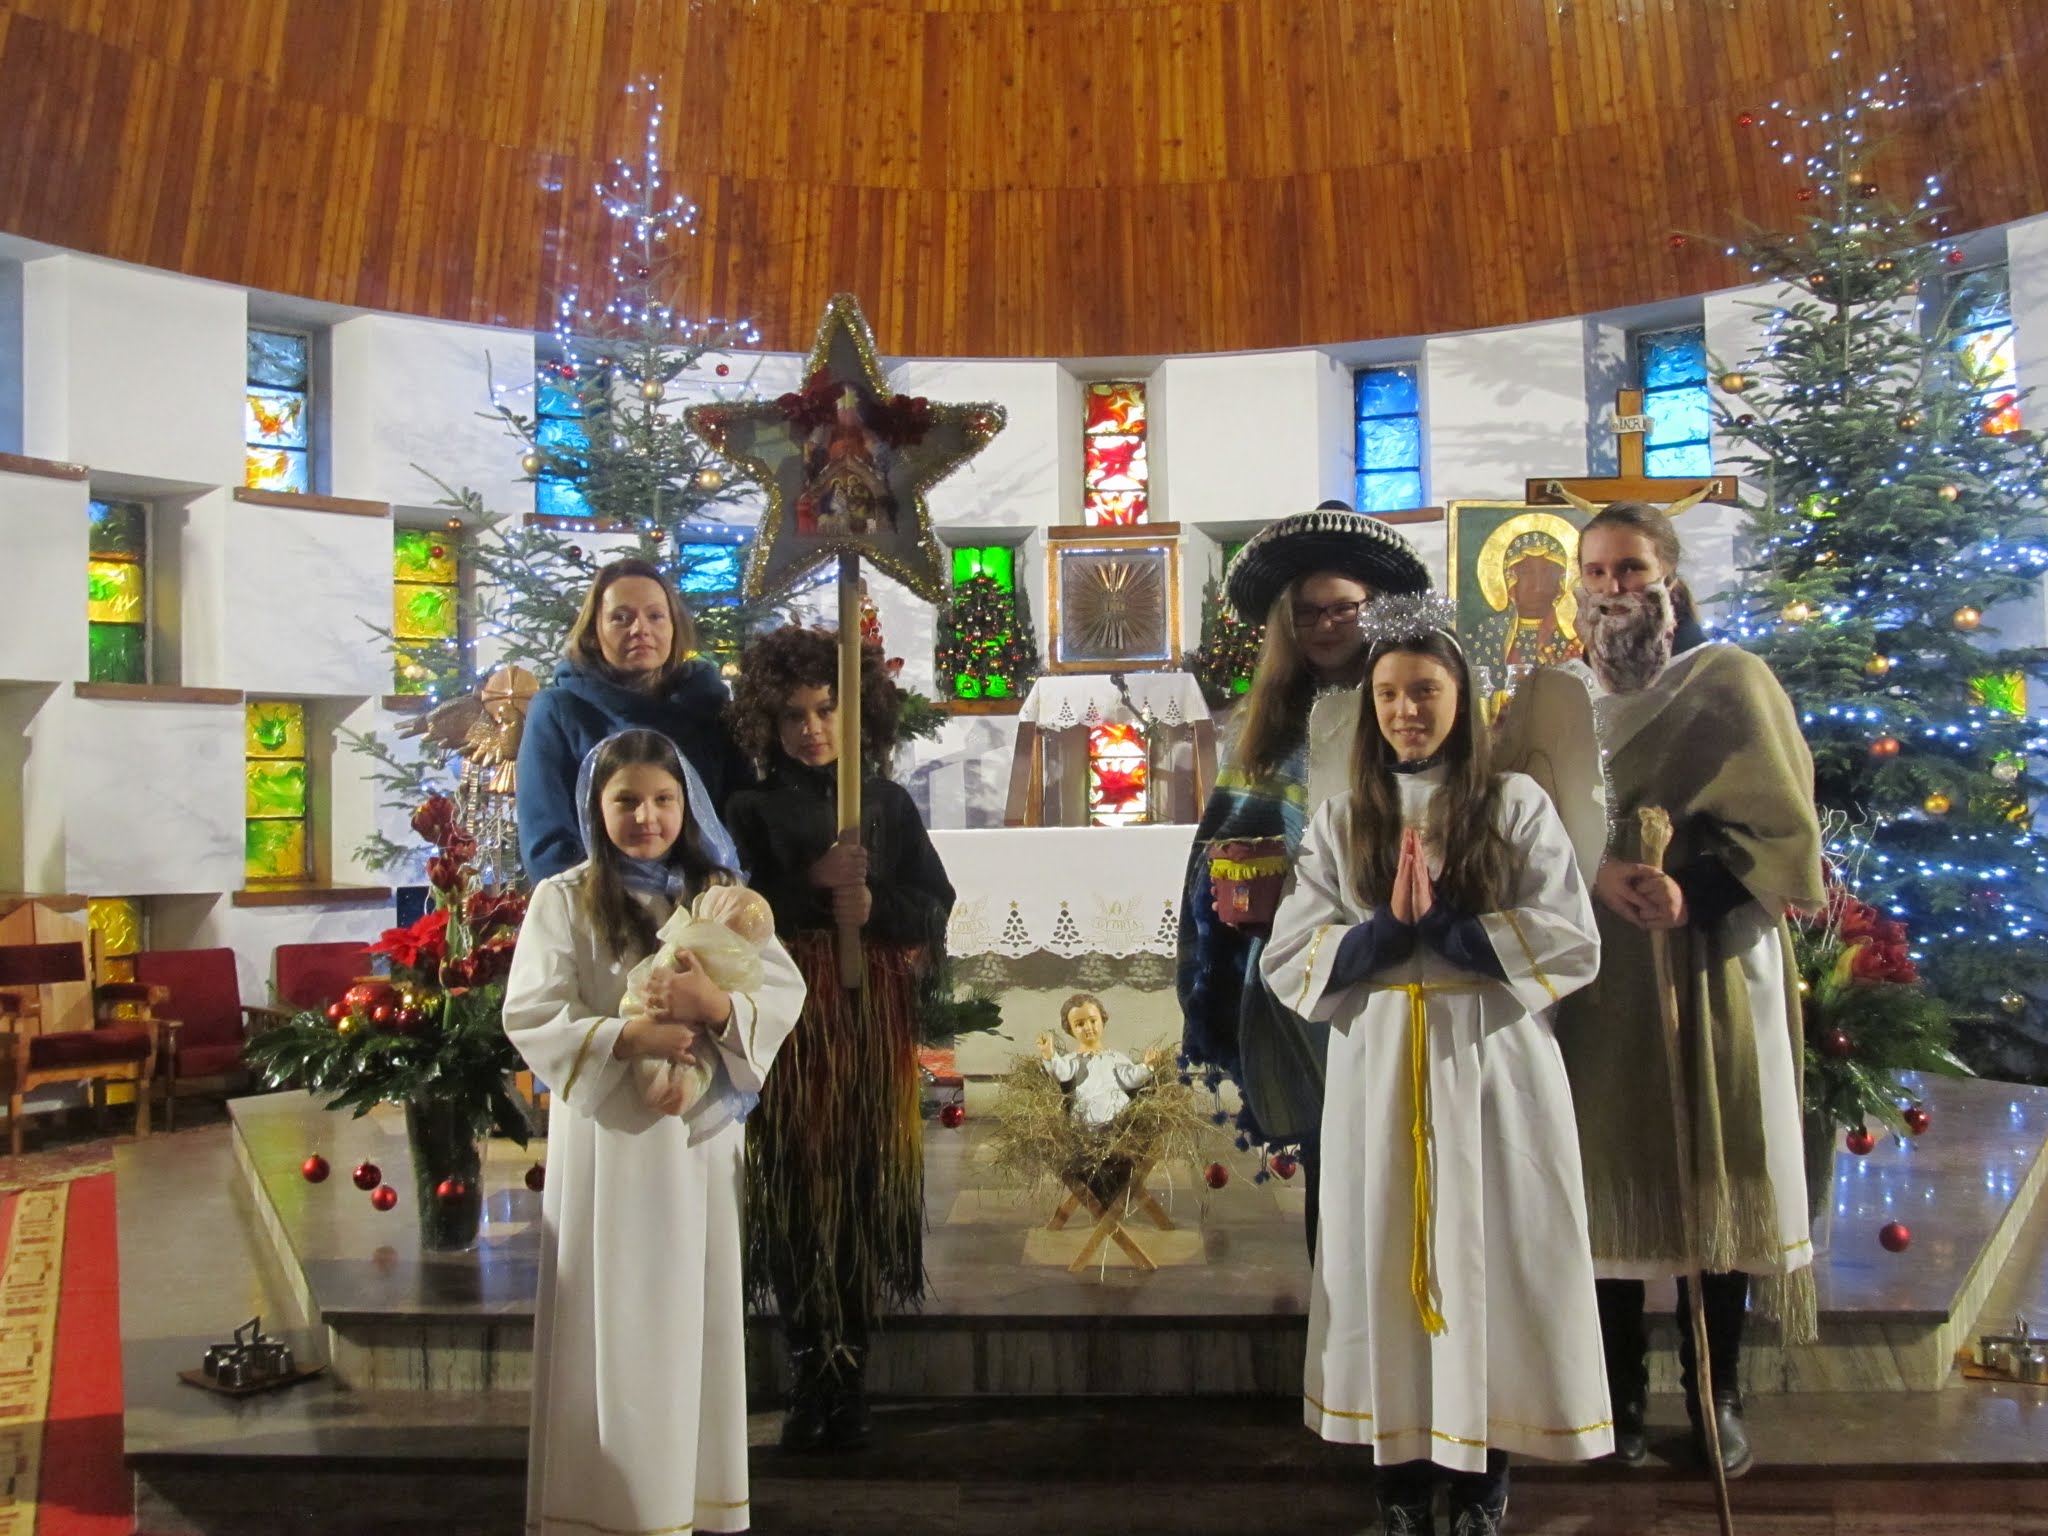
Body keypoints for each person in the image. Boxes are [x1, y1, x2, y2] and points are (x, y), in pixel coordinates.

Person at [1260, 599, 1611, 1536]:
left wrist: (1455, 932)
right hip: (1380, 1067)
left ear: (1464, 698)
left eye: (1425, 690)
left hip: (1491, 1063)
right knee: (1387, 1261)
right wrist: (1381, 935)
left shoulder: (1512, 805)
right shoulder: (1345, 818)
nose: (1405, 710)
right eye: (1388, 694)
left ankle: (1485, 1481)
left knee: (1495, 1259)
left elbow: (1571, 935)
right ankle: (1403, 1486)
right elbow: (1290, 953)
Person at [1493, 501, 1825, 1476]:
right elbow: (1509, 827)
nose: (1612, 590)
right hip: (1592, 972)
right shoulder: (1547, 702)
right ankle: (1618, 1392)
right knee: (1602, 1170)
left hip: (1709, 958)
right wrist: (1591, 871)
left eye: (1631, 569)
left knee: (1712, 1167)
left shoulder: (1729, 683)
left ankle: (1716, 1393)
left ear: (1668, 577)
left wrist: (1694, 889)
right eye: (1596, 572)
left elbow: (1785, 833)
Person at [501, 729, 807, 1536]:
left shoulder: (719, 896)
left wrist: (716, 1009)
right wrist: (631, 1036)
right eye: (627, 801)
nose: (647, 817)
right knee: (614, 1315)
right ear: (595, 809)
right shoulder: (565, 897)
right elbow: (531, 1010)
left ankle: (694, 1500)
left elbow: (782, 992)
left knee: (690, 1315)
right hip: (610, 1140)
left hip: (697, 1142)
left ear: (687, 803)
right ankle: (605, 1507)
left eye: (663, 800)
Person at [722, 625, 956, 1452]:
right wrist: (808, 889)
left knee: (860, 1188)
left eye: (827, 710)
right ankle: (805, 1371)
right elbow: (728, 915)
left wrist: (876, 907)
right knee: (797, 1189)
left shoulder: (885, 804)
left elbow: (933, 904)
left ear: (859, 714)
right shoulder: (749, 809)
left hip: (865, 1020)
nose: (813, 729)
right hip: (789, 1026)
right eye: (793, 715)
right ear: (767, 721)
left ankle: (850, 1374)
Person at [1176, 502, 1432, 1256]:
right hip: (1305, 968)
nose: (1326, 625)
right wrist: (1236, 893)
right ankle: (1336, 1312)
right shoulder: (1269, 721)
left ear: (1374, 609)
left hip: (1405, 959)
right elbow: (1228, 835)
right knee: (1331, 1149)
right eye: (1309, 612)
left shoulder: (1411, 710)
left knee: (1411, 1144)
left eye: (1343, 608)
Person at [517, 558, 756, 880]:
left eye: (655, 616)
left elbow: (741, 817)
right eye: (621, 617)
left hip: (707, 895)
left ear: (674, 626)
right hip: (597, 898)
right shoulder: (558, 710)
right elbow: (547, 844)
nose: (640, 629)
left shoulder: (709, 707)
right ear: (594, 631)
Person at [1037, 991, 1161, 1129]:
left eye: (1093, 1021)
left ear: (1102, 1020)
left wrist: (1146, 1065)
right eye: (1080, 1024)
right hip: (1086, 1112)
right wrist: (1049, 1054)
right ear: (1070, 1030)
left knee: (1117, 1111)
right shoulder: (1073, 1060)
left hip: (1116, 1110)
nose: (1088, 1027)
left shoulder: (1115, 1057)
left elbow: (1131, 1078)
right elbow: (1060, 1073)